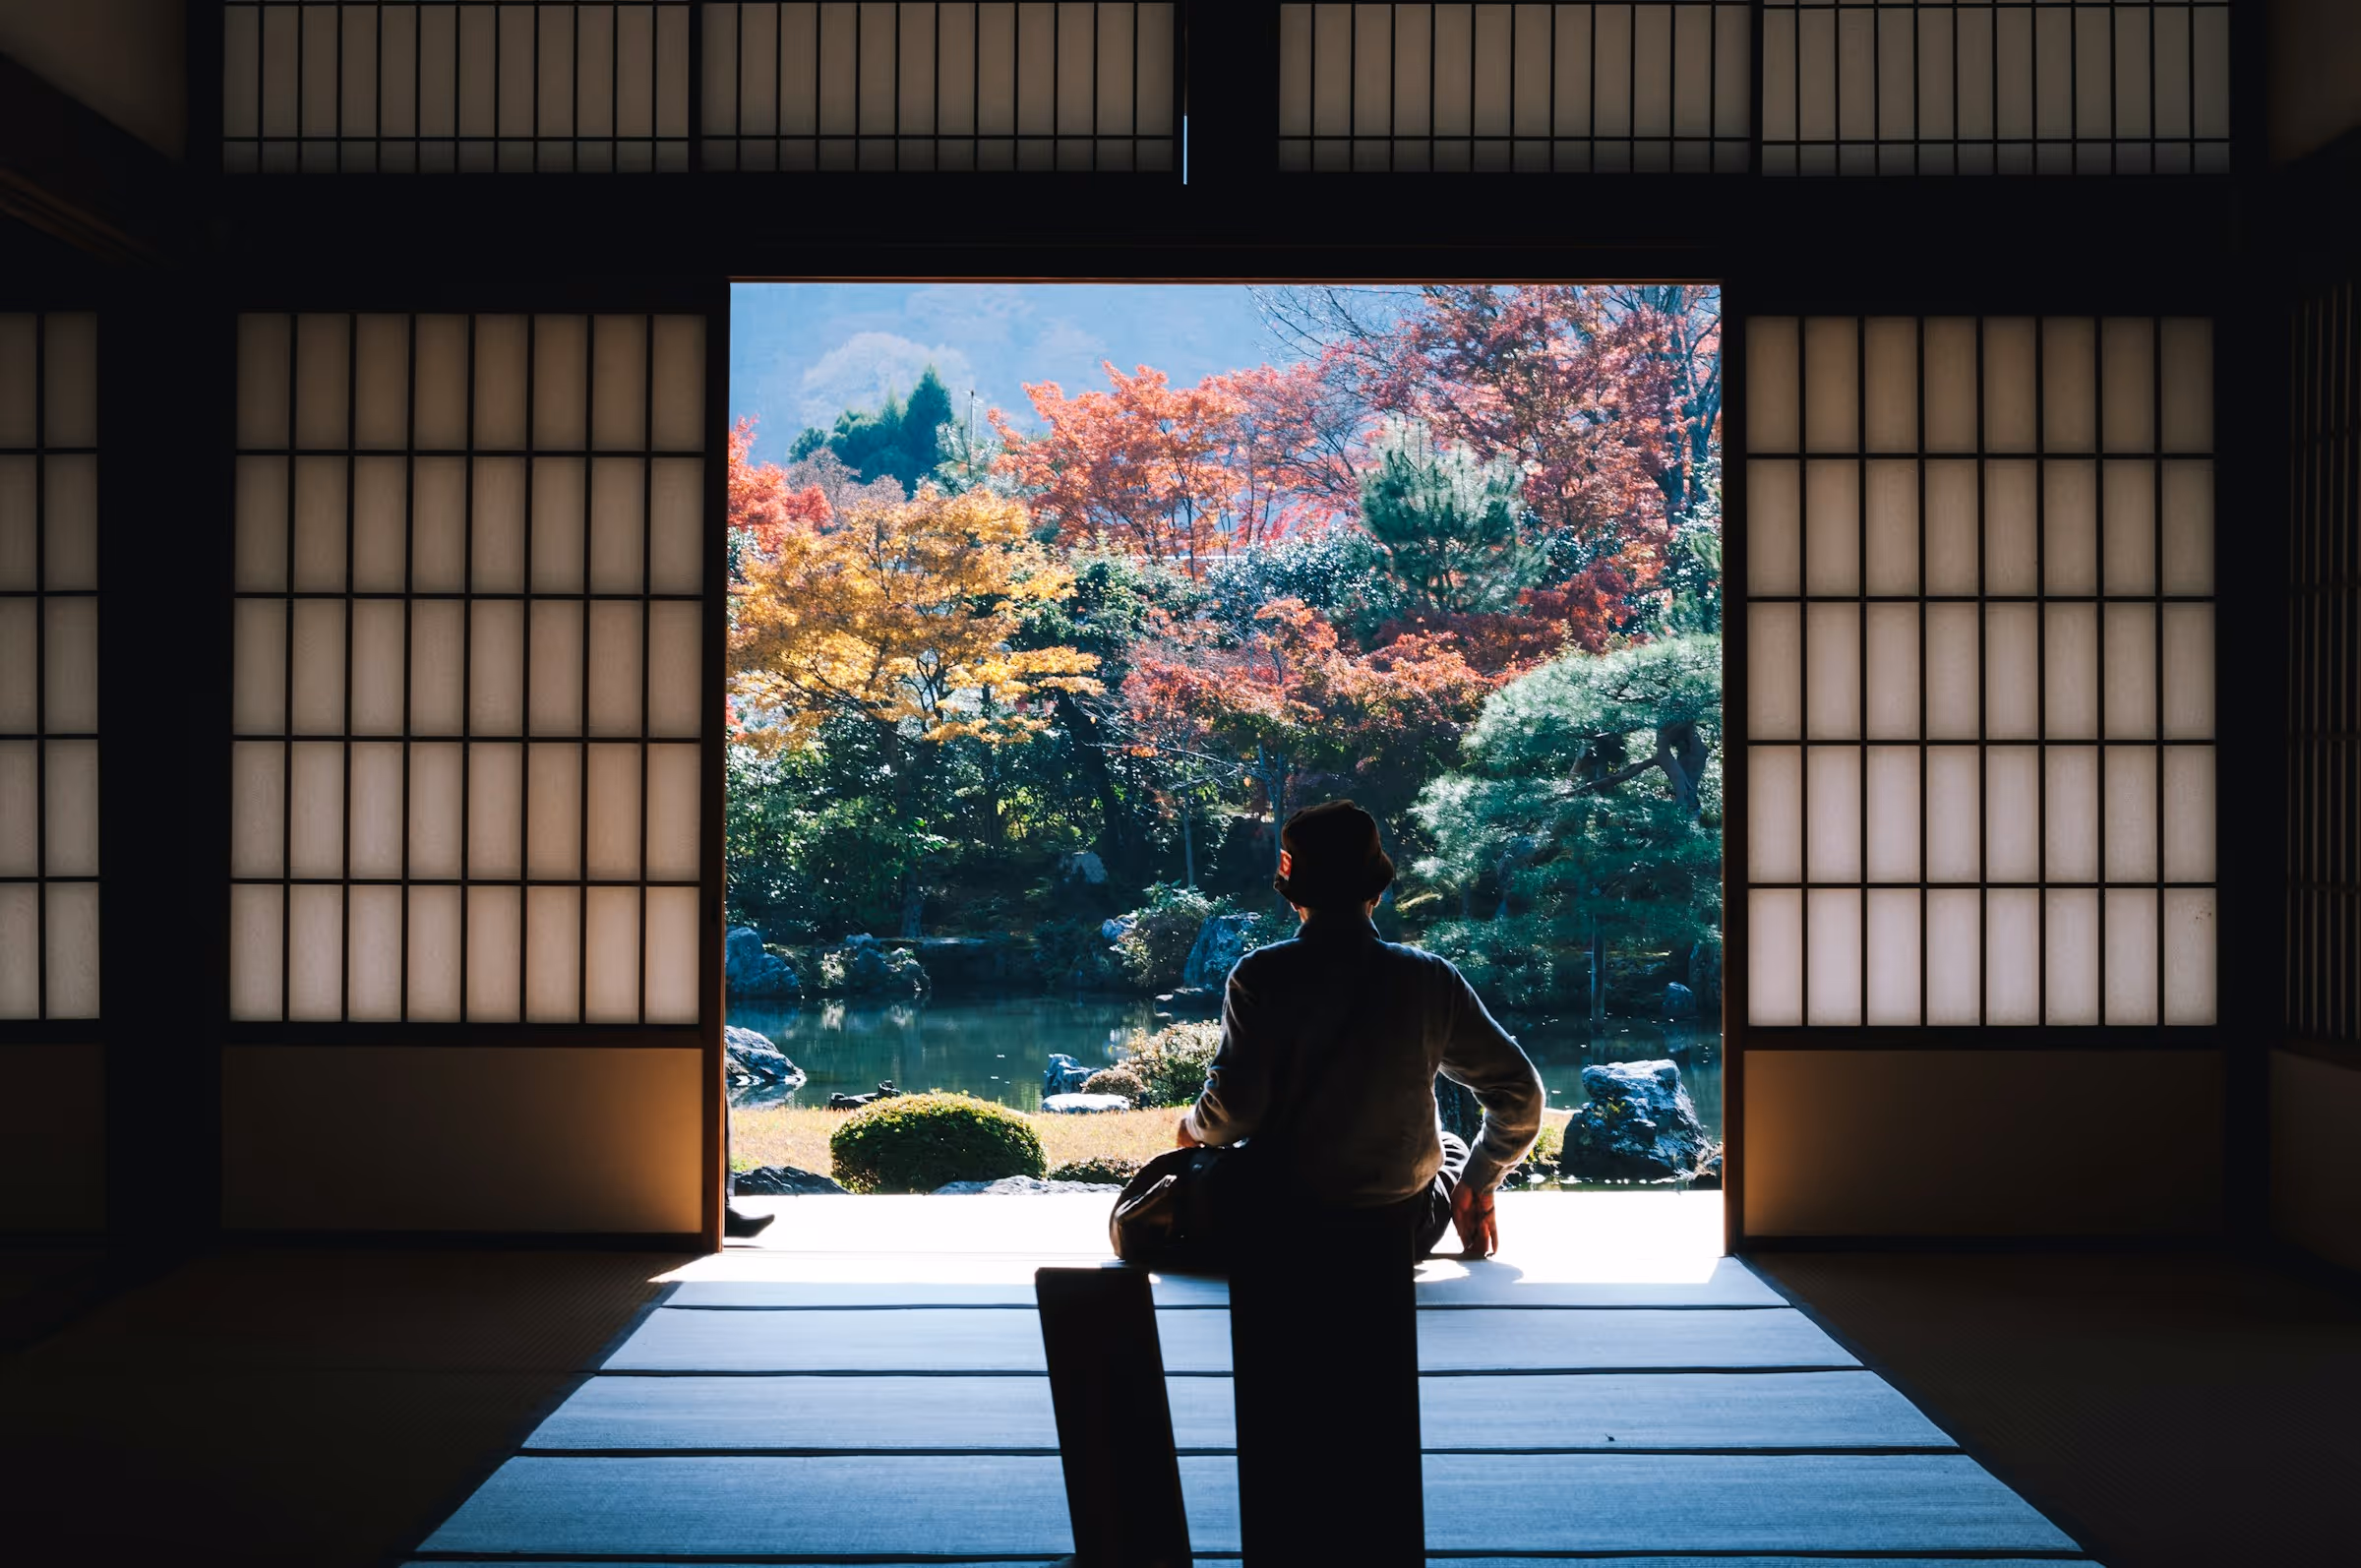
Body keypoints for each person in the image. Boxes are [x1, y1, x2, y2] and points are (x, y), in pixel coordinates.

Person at [1175, 799, 1544, 1260]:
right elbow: (1521, 1094)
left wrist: (1191, 1127)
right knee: (1448, 1146)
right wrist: (1480, 1178)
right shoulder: (1429, 978)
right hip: (1396, 1231)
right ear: (1379, 891)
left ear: (1293, 895)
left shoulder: (1260, 975)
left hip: (1278, 1226)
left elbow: (1232, 1113)